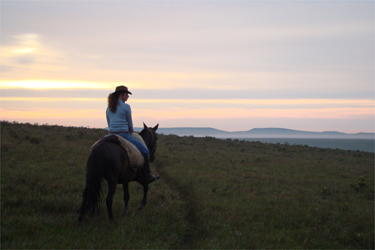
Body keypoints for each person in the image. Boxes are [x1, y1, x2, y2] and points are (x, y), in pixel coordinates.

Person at [106, 85, 159, 184]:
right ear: (122, 95)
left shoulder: (109, 108)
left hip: (110, 135)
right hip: (124, 135)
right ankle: (147, 175)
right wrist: (130, 131)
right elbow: (130, 125)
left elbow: (109, 124)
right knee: (145, 151)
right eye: (127, 94)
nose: (128, 97)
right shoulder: (126, 106)